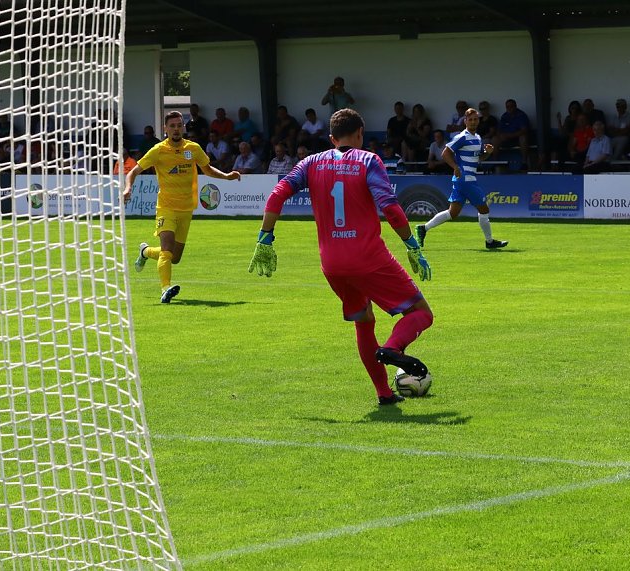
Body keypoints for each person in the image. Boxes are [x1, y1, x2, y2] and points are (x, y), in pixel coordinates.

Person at [248, 108, 433, 406]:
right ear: (361, 133)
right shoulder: (369, 160)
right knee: (421, 313)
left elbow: (277, 193)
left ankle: (384, 393)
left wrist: (265, 238)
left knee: (364, 322)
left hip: (332, 264)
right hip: (369, 258)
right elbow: (389, 207)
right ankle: (393, 349)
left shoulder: (310, 163)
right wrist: (411, 244)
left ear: (332, 138)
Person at [123, 111, 240, 303]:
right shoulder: (158, 150)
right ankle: (165, 289)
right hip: (166, 207)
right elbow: (134, 171)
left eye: (179, 125)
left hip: (186, 209)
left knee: (174, 258)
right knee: (167, 250)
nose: (176, 129)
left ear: (183, 127)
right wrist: (128, 188)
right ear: (166, 129)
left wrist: (226, 176)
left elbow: (207, 169)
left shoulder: (193, 149)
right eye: (172, 126)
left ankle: (144, 252)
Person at [415, 107, 508, 250]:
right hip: (466, 179)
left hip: (463, 179)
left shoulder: (477, 138)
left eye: (475, 119)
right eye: (470, 120)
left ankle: (423, 228)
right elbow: (445, 153)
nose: (473, 122)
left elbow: (478, 159)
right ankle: (489, 242)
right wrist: (455, 167)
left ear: (478, 120)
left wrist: (487, 153)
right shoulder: (462, 137)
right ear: (465, 121)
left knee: (453, 213)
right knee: (483, 209)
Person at [491, 99, 531, 169]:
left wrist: (510, 135)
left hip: (517, 139)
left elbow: (524, 131)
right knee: (494, 139)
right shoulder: (504, 116)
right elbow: (499, 130)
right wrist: (501, 135)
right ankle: (495, 163)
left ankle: (524, 163)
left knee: (523, 138)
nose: (509, 108)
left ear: (515, 106)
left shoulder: (521, 115)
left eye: (511, 106)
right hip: (506, 139)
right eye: (507, 107)